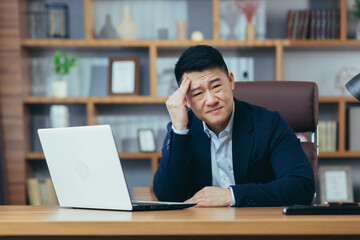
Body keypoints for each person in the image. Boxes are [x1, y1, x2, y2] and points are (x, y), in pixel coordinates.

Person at [153, 45, 315, 207]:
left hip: (259, 225)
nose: (211, 100)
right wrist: (179, 131)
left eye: (216, 86)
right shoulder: (184, 129)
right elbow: (167, 196)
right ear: (186, 100)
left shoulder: (269, 124)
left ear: (231, 81)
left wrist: (231, 196)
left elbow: (302, 186)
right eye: (197, 93)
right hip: (202, 228)